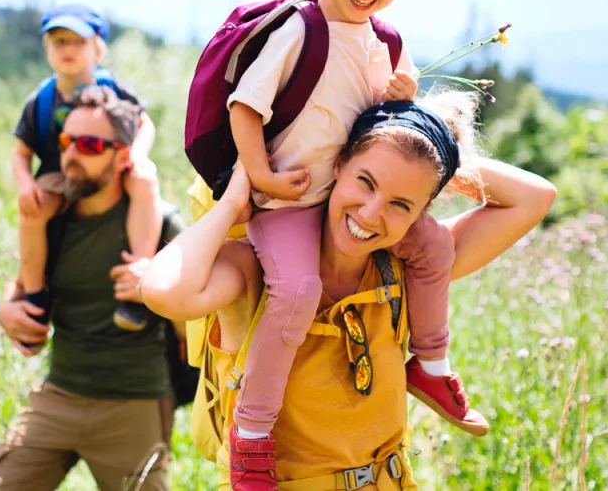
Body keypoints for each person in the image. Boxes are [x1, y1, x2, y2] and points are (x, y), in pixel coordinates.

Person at [141, 95, 557, 489]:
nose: (371, 213)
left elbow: (534, 197)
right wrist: (233, 204)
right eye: (366, 181)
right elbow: (163, 292)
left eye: (401, 204)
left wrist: (430, 154)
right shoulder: (257, 269)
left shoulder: (406, 272)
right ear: (336, 165)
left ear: (419, 213)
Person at [208, 0, 482, 485]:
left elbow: (383, 129)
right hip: (288, 201)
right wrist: (260, 176)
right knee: (298, 289)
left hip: (349, 201)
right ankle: (252, 433)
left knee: (433, 247)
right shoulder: (297, 30)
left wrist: (402, 96)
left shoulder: (383, 39)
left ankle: (430, 364)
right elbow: (245, 107)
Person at [0, 87, 186, 491]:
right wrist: (6, 310)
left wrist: (155, 287)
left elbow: (199, 321)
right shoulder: (50, 216)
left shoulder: (160, 223)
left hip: (135, 403)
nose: (72, 154)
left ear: (123, 155)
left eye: (89, 144)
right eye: (65, 142)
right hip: (60, 394)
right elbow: (21, 283)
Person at [12, 4, 162, 335]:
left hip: (111, 166)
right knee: (32, 212)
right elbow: (21, 154)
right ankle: (35, 296)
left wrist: (136, 154)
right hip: (58, 174)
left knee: (144, 179)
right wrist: (25, 185)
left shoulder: (114, 89)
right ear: (46, 48)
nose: (68, 50)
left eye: (78, 42)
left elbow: (143, 123)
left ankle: (137, 280)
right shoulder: (41, 99)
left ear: (98, 48)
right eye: (58, 41)